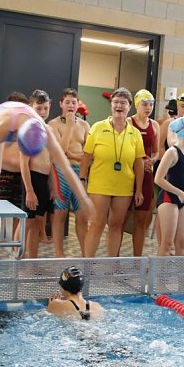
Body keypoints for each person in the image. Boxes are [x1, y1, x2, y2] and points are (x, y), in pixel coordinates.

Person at [0, 99, 92, 225]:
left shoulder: (45, 131)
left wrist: (84, 199)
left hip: (18, 121)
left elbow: (65, 167)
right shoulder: (2, 128)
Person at [81, 87, 145, 257]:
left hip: (124, 186)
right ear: (111, 105)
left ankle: (111, 264)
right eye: (115, 102)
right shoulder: (97, 127)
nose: (119, 106)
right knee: (97, 223)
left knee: (116, 225)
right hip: (99, 185)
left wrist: (139, 189)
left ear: (129, 107)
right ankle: (87, 264)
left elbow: (139, 163)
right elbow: (86, 156)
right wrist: (82, 179)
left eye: (123, 103)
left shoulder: (135, 133)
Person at [48, 88, 91, 257]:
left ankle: (85, 255)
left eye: (74, 102)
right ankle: (59, 255)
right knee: (60, 213)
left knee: (82, 216)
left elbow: (89, 155)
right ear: (61, 104)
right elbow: (59, 151)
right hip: (61, 172)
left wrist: (72, 155)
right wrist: (69, 127)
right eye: (67, 102)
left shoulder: (85, 125)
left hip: (80, 172)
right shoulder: (53, 124)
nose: (71, 105)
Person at [154, 116, 184, 256]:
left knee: (182, 243)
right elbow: (158, 179)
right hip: (169, 199)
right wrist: (179, 193)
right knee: (167, 244)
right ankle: (159, 271)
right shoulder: (172, 152)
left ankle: (181, 271)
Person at [19, 91, 55, 259]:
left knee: (36, 223)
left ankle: (31, 261)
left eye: (45, 108)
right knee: (27, 221)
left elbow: (51, 160)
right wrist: (29, 190)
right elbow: (23, 162)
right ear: (30, 107)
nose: (42, 112)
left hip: (44, 180)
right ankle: (16, 258)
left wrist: (52, 185)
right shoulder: (28, 130)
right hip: (32, 179)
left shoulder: (48, 129)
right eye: (38, 108)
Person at [128, 89, 160, 257]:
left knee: (141, 220)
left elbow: (156, 152)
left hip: (146, 174)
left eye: (151, 104)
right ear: (136, 105)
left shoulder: (154, 125)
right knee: (120, 219)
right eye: (145, 104)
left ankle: (137, 259)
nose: (148, 108)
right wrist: (137, 161)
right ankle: (114, 258)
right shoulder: (128, 122)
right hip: (128, 174)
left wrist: (151, 161)